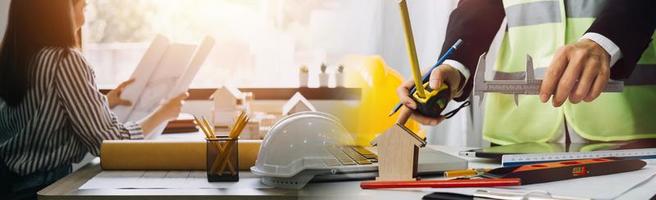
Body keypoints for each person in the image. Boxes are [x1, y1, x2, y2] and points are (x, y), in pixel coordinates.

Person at [397, 0, 656, 145]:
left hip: (630, 128)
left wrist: (603, 41)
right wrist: (453, 67)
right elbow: (479, 7)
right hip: (518, 132)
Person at [0, 0, 187, 199]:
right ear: (63, 13)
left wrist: (105, 101)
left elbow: (39, 112)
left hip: (11, 182)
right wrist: (161, 114)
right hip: (41, 187)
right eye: (83, 6)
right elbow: (109, 144)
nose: (84, 15)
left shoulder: (16, 56)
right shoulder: (65, 60)